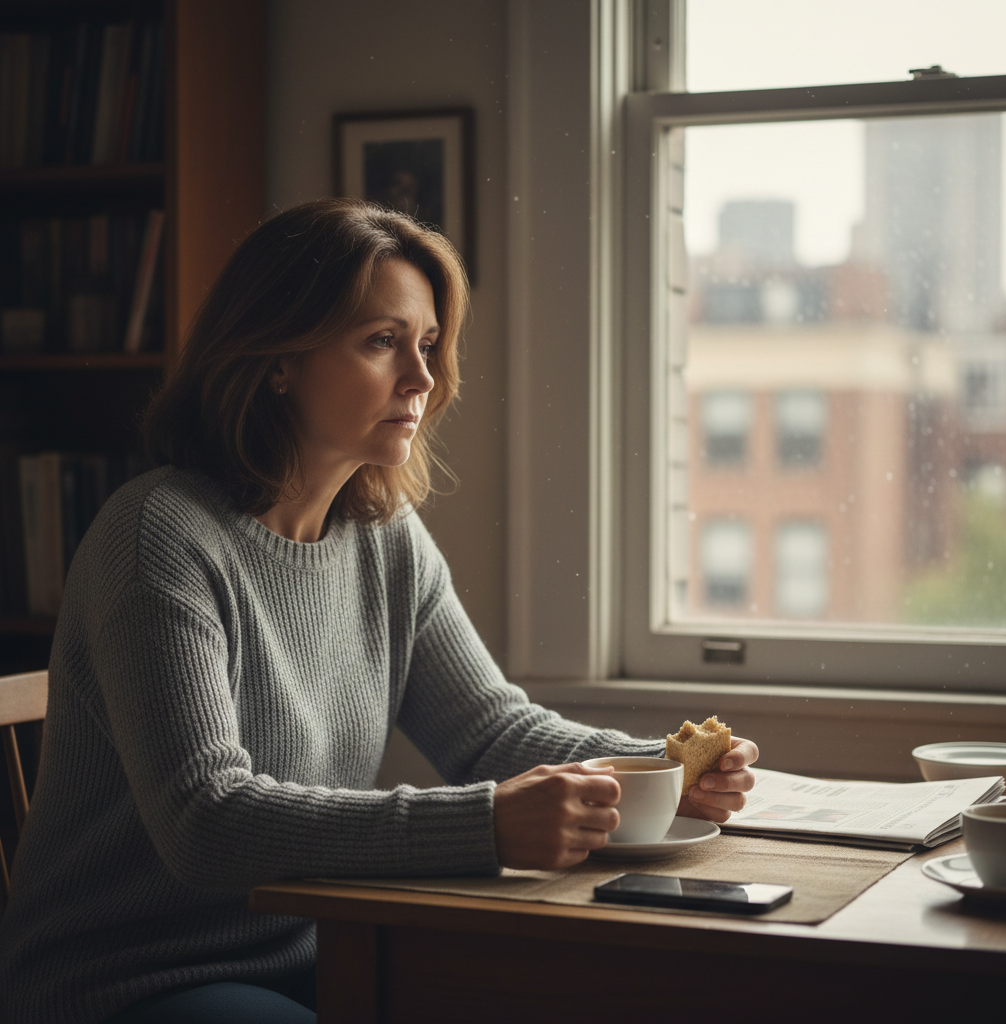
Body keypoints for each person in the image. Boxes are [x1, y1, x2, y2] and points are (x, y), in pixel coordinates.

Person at [0, 198, 757, 1024]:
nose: (423, 379)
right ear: (277, 357)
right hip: (130, 983)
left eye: (427, 344)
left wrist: (670, 769)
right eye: (381, 341)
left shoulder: (384, 536)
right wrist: (486, 826)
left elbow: (490, 733)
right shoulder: (158, 538)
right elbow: (205, 823)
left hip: (327, 953)